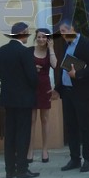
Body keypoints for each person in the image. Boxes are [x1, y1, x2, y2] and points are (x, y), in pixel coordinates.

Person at [55, 19, 89, 173]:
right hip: (67, 92)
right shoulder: (66, 45)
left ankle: (88, 159)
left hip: (81, 91)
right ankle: (74, 158)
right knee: (71, 126)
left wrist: (78, 74)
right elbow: (63, 68)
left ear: (72, 29)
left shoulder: (86, 43)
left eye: (64, 31)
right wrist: (57, 88)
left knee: (85, 126)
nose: (62, 34)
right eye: (61, 32)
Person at [0, 22, 40, 178]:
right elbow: (32, 78)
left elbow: (1, 73)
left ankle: (9, 170)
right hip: (23, 99)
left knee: (10, 134)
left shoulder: (1, 51)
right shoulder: (25, 52)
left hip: (8, 98)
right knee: (23, 134)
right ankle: (22, 169)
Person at [27, 27, 57, 164]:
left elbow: (55, 65)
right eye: (39, 37)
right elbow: (23, 67)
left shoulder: (49, 52)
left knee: (44, 119)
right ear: (36, 38)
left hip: (44, 87)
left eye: (44, 37)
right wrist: (32, 69)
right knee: (31, 120)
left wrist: (51, 48)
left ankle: (45, 150)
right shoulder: (29, 51)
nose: (41, 39)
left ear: (48, 39)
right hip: (31, 88)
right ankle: (30, 150)